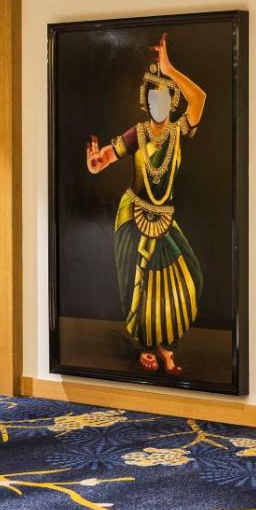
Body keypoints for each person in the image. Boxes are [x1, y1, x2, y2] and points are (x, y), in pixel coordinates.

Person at [85, 34, 206, 376]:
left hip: (164, 218)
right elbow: (105, 158)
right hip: (134, 214)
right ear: (146, 101)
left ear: (172, 100)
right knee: (139, 284)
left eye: (164, 97)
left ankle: (167, 345)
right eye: (153, 98)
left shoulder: (179, 133)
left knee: (188, 277)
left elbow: (200, 98)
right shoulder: (137, 134)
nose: (158, 103)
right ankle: (148, 347)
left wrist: (169, 69)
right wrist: (95, 163)